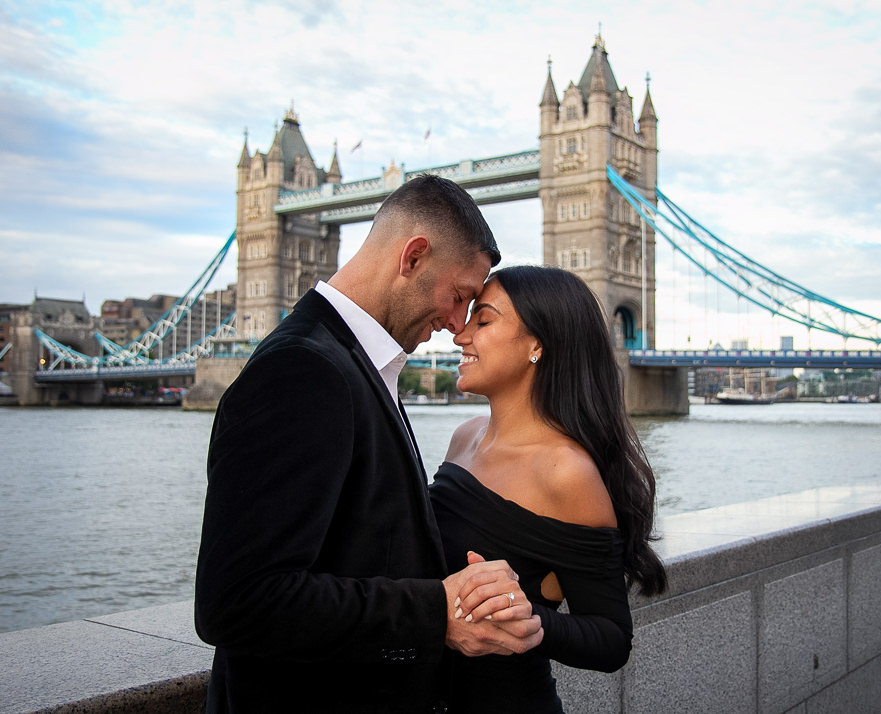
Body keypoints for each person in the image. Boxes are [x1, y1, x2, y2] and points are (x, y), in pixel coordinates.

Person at [194, 175, 543, 713]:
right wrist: (436, 612)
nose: (457, 325)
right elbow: (238, 602)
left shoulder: (357, 362)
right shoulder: (301, 370)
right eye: (459, 296)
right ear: (413, 257)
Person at [429, 265, 668, 713]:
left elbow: (611, 639)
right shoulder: (465, 435)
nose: (460, 335)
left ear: (537, 345)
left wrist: (528, 618)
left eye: (483, 320)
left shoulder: (565, 472)